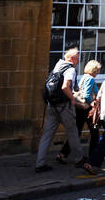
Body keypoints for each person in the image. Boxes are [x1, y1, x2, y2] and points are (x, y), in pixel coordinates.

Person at [36, 46, 96, 175]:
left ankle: (40, 163)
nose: (79, 59)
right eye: (78, 57)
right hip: (64, 106)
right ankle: (79, 159)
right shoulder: (70, 69)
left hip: (52, 105)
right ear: (72, 58)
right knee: (73, 131)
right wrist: (73, 99)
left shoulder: (57, 66)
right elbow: (65, 87)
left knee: (47, 134)